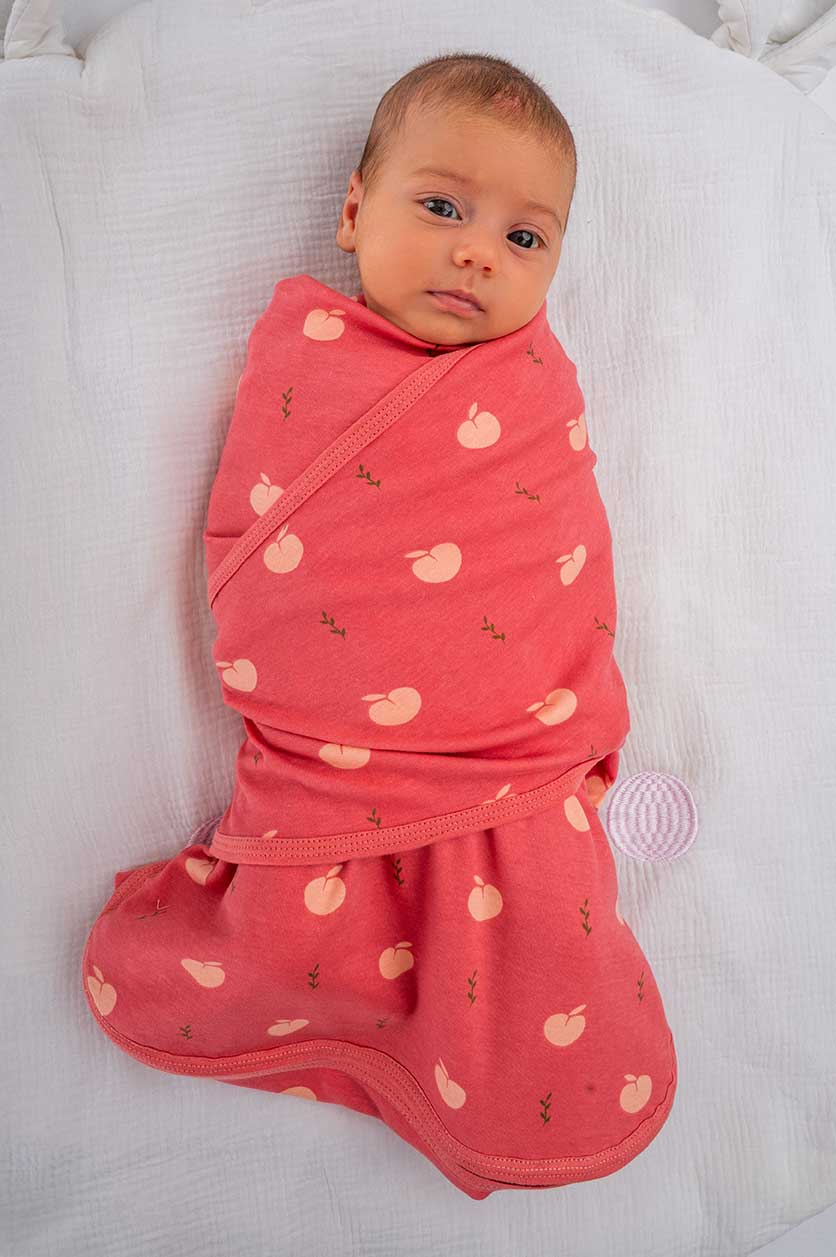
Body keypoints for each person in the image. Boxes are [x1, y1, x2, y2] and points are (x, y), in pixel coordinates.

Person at [81, 51, 677, 1202]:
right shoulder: (306, 361)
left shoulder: (532, 392)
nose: (476, 251)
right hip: (330, 767)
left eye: (522, 237)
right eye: (442, 207)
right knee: (286, 918)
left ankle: (485, 1068)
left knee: (542, 934)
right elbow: (264, 563)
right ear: (353, 213)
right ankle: (310, 988)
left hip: (510, 762)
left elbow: (558, 565)